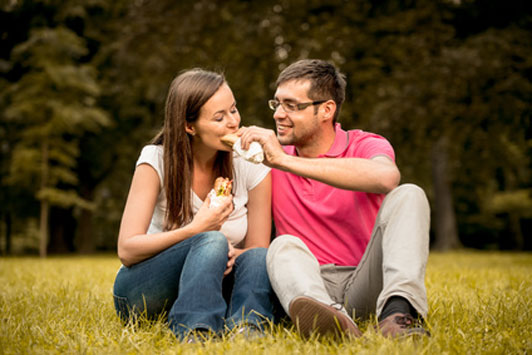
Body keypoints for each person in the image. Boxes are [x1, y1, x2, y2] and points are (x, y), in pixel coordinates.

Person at [238, 59, 430, 338]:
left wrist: (283, 161)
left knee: (410, 194)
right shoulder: (267, 159)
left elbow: (386, 178)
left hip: (366, 281)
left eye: (292, 105)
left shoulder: (364, 144)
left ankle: (397, 316)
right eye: (277, 104)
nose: (279, 114)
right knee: (283, 245)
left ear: (326, 110)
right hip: (306, 285)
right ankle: (329, 321)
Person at [112, 69, 274, 341]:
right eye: (219, 117)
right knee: (211, 240)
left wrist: (237, 254)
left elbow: (258, 246)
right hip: (143, 290)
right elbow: (127, 250)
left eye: (234, 110)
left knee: (258, 257)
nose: (234, 122)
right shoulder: (156, 160)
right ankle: (195, 330)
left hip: (218, 283)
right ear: (190, 126)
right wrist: (197, 229)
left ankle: (248, 327)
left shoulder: (250, 164)